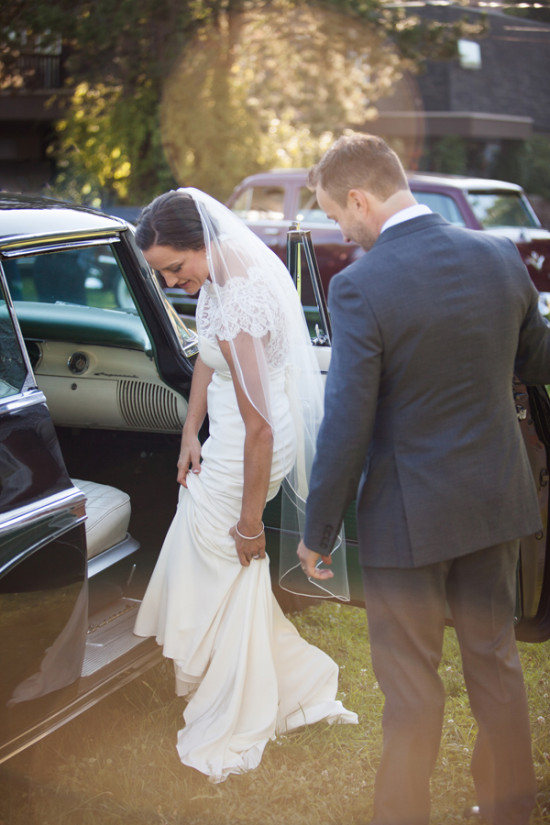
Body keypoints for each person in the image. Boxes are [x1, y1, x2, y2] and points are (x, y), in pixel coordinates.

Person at [297, 132, 550, 825]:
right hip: (497, 503)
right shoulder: (501, 258)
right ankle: (510, 814)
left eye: (337, 215)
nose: (341, 230)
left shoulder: (359, 286)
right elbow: (539, 359)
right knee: (496, 668)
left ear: (360, 197)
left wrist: (318, 530)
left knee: (411, 689)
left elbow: (347, 421)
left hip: (408, 521)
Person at [133, 188, 357, 783]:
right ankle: (284, 680)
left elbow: (259, 426)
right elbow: (207, 355)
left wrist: (250, 525)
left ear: (200, 240)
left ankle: (241, 701)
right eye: (164, 274)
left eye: (176, 268)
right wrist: (189, 430)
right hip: (229, 438)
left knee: (225, 558)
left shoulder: (238, 297)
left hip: (250, 448)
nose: (175, 282)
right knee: (223, 574)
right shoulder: (221, 276)